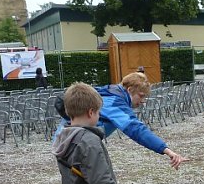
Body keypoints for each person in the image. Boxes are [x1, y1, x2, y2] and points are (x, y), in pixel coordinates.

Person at [55, 72, 187, 168]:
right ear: (129, 90)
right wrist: (166, 150)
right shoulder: (115, 103)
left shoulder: (109, 92)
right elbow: (136, 129)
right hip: (77, 147)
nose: (142, 101)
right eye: (141, 96)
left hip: (67, 142)